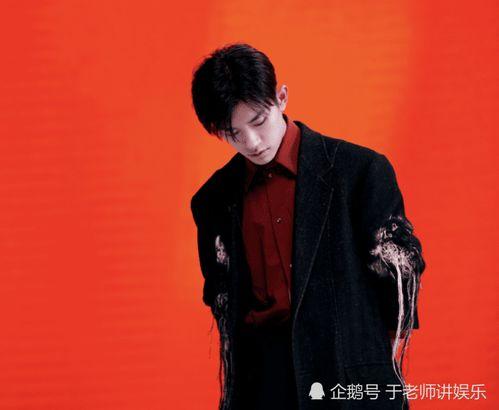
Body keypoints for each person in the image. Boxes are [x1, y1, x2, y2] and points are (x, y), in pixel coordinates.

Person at [190, 43, 426, 410]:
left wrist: (368, 359)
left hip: (348, 372)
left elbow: (399, 276)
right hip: (263, 384)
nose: (252, 142)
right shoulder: (213, 200)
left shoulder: (359, 172)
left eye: (258, 121)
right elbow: (222, 299)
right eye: (232, 133)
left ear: (281, 98)